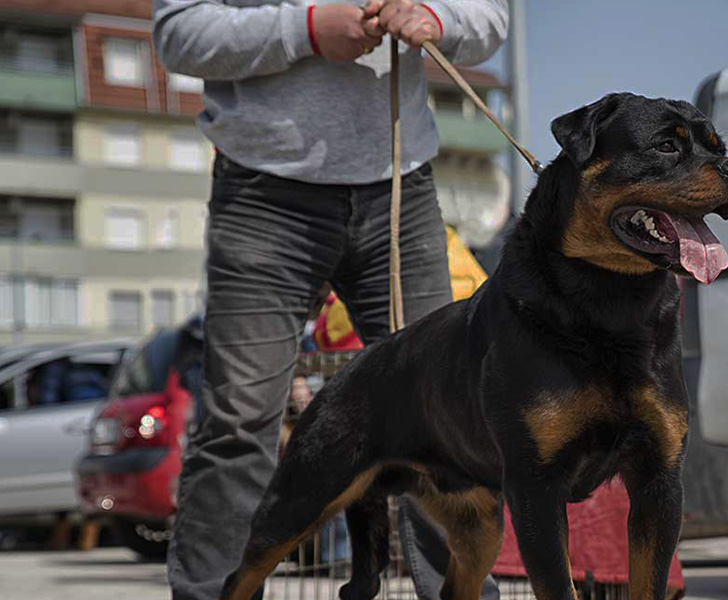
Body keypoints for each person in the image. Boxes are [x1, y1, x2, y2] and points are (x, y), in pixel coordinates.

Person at [150, 1, 508, 599]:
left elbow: (489, 16)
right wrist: (306, 28)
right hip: (262, 193)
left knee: (448, 422)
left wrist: (435, 16)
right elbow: (178, 33)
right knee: (237, 422)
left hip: (400, 185)